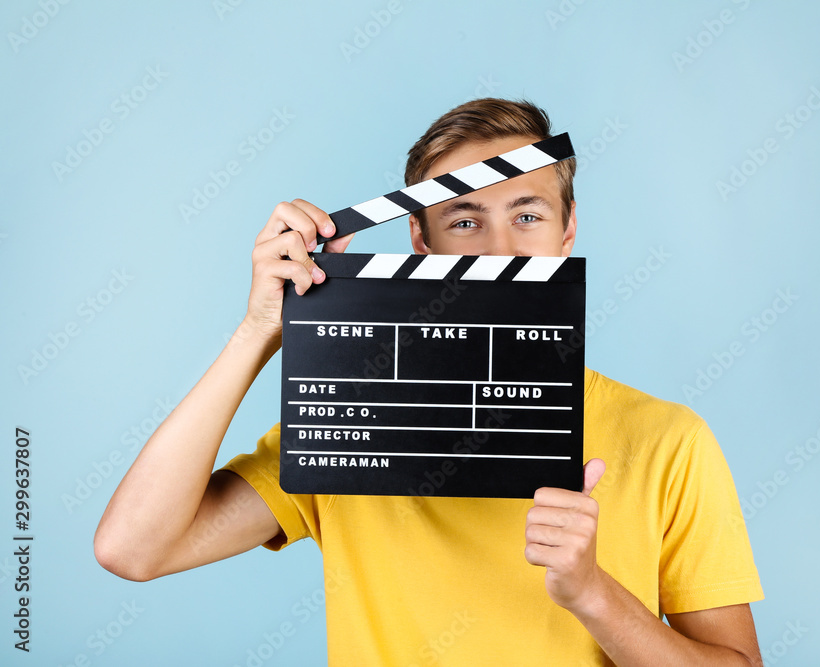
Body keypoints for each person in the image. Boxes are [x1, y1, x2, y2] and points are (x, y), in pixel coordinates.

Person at [96, 98, 765, 666]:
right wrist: (261, 329)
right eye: (466, 220)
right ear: (420, 239)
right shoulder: (346, 421)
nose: (500, 247)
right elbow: (133, 548)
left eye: (527, 215)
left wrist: (594, 593)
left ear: (568, 232)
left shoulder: (669, 440)